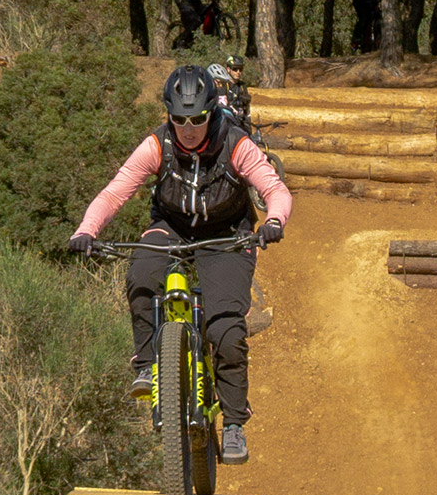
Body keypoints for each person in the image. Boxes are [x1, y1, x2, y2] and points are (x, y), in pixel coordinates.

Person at [68, 65, 292, 464]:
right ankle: (148, 366)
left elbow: (274, 188)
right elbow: (115, 192)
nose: (188, 129)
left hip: (227, 233)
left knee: (226, 329)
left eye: (197, 119)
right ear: (169, 114)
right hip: (171, 226)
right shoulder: (157, 145)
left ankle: (234, 424)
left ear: (212, 112)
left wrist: (274, 221)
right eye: (179, 119)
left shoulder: (236, 144)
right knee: (141, 276)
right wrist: (87, 230)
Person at [224, 55, 252, 121]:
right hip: (228, 120)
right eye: (235, 69)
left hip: (241, 120)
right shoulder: (224, 85)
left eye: (240, 69)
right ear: (228, 69)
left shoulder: (242, 86)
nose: (238, 72)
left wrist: (248, 120)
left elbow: (247, 107)